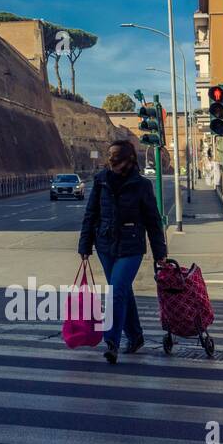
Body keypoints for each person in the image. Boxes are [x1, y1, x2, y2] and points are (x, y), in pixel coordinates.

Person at [77, 140, 169, 364]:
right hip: (105, 245)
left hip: (131, 247)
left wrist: (160, 253)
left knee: (116, 292)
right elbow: (91, 214)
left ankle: (112, 342)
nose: (111, 160)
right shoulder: (101, 181)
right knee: (122, 291)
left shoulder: (141, 185)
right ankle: (136, 336)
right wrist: (85, 245)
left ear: (129, 160)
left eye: (116, 157)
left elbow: (153, 221)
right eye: (109, 156)